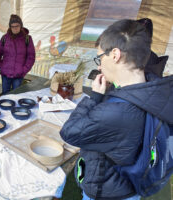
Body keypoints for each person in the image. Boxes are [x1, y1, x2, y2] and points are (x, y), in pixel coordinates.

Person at [59, 19, 173, 200]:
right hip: (128, 186)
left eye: (100, 57)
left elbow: (69, 132)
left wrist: (95, 96)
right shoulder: (152, 87)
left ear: (115, 55)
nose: (99, 65)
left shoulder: (117, 112)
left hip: (107, 192)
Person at [0, 14, 35, 94]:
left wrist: (24, 70)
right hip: (5, 74)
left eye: (17, 26)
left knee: (16, 96)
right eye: (12, 26)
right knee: (5, 96)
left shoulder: (27, 39)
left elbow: (31, 57)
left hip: (19, 75)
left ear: (21, 26)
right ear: (10, 27)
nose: (15, 28)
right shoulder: (5, 38)